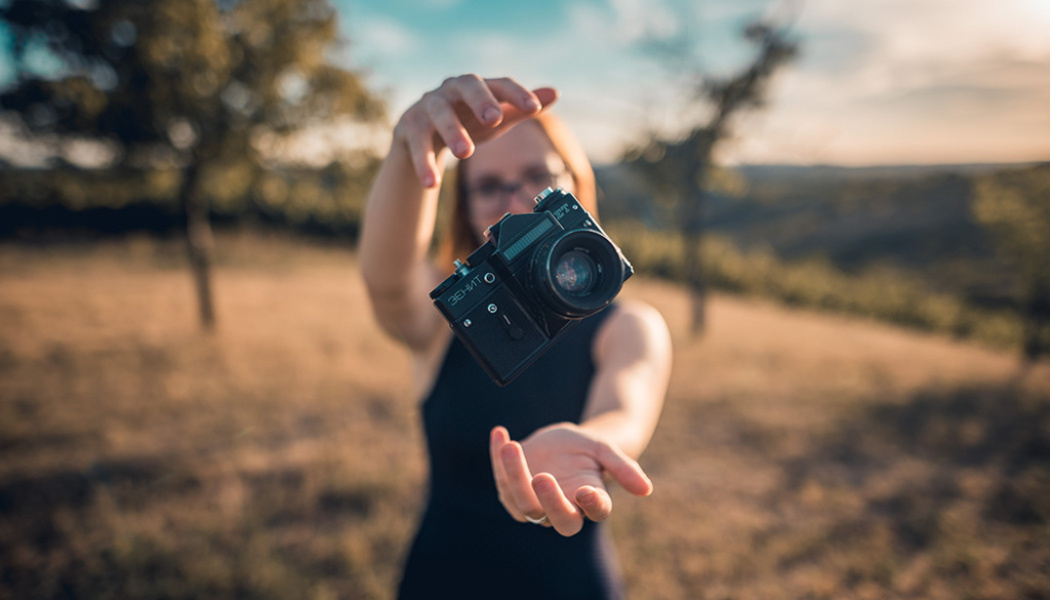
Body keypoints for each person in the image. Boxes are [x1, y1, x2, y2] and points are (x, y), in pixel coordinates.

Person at [358, 74, 672, 599]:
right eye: (487, 185)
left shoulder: (630, 326)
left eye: (539, 179)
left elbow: (625, 409)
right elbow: (387, 284)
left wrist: (594, 449)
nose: (516, 201)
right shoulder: (448, 317)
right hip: (442, 579)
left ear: (577, 185)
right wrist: (409, 152)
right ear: (465, 209)